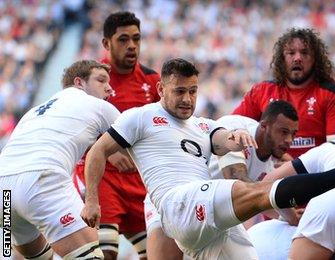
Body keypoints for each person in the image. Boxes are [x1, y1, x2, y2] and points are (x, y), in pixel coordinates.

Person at [80, 58, 335, 259]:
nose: (187, 99)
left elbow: (221, 138)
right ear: (161, 89)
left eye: (192, 91)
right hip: (176, 203)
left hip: (208, 219)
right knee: (250, 191)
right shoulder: (141, 117)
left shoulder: (202, 125)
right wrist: (92, 200)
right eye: (179, 92)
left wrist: (234, 138)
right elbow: (98, 151)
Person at [144, 101, 300, 260]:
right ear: (264, 126)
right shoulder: (236, 128)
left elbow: (260, 200)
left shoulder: (277, 163)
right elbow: (236, 178)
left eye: (293, 134)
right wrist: (288, 212)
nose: (289, 140)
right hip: (175, 200)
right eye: (283, 132)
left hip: (213, 216)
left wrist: (289, 215)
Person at [0, 60, 118, 259]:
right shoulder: (97, 106)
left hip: (4, 190)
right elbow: (140, 147)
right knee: (91, 256)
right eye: (101, 80)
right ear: (79, 82)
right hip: (41, 180)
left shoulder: (35, 111)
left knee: (41, 257)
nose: (109, 88)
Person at [72, 11, 160, 259]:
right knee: (106, 253)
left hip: (137, 182)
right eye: (123, 39)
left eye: (136, 39)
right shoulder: (91, 79)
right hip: (102, 178)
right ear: (106, 43)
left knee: (156, 254)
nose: (132, 46)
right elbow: (75, 127)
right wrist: (106, 153)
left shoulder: (152, 81)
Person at [233, 27, 335, 159]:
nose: (297, 58)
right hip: (266, 174)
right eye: (291, 53)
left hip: (315, 176)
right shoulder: (261, 91)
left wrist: (295, 167)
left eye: (304, 53)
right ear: (282, 59)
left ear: (315, 59)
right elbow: (231, 127)